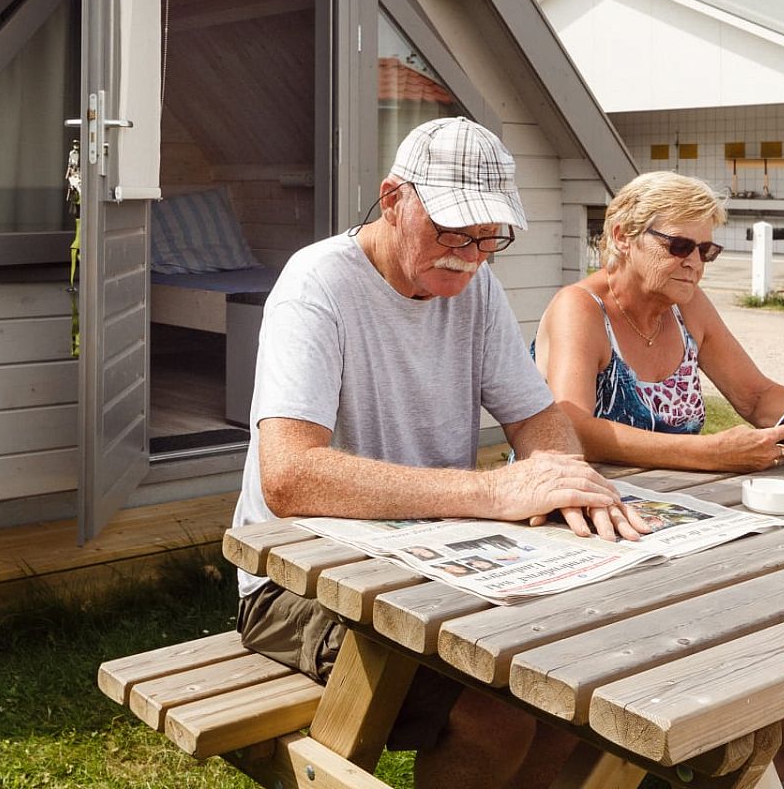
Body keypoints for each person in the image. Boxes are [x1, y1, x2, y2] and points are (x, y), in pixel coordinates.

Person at [231, 117, 649, 789]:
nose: (469, 254)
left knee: (578, 688)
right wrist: (494, 493)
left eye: (489, 237)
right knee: (503, 712)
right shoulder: (318, 286)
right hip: (294, 585)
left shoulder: (475, 284)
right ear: (393, 199)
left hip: (431, 567)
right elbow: (290, 475)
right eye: (452, 230)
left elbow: (538, 415)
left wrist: (566, 482)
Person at [533, 170, 784, 789]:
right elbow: (570, 426)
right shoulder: (579, 308)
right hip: (583, 521)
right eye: (679, 247)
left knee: (778, 576)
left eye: (708, 250)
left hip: (671, 514)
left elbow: (752, 394)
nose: (696, 264)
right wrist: (709, 455)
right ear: (622, 236)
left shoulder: (685, 304)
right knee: (759, 587)